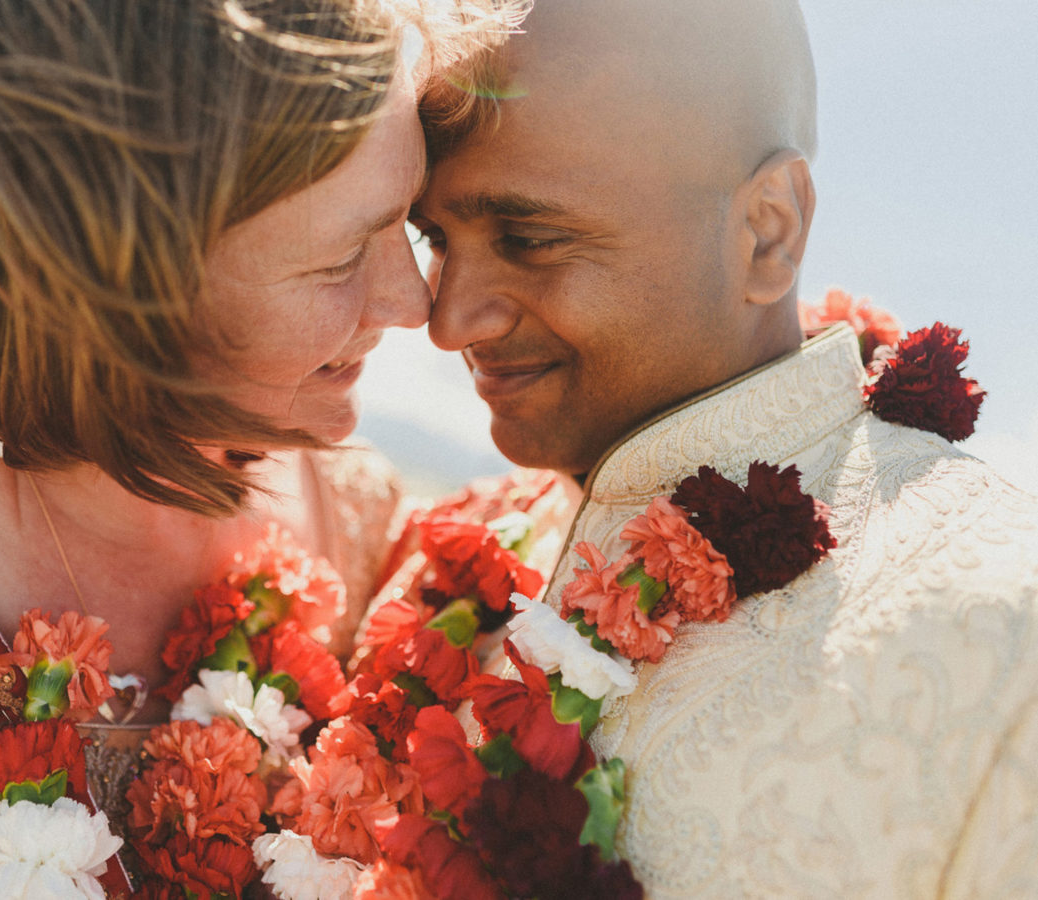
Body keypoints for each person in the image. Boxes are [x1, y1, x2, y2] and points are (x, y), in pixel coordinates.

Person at [0, 0, 512, 894]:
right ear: (110, 293)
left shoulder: (374, 548)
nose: (414, 303)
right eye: (342, 257)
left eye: (411, 226)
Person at [408, 0, 1038, 896]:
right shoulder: (435, 571)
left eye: (530, 238)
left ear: (766, 232)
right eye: (432, 237)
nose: (446, 318)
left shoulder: (1007, 629)